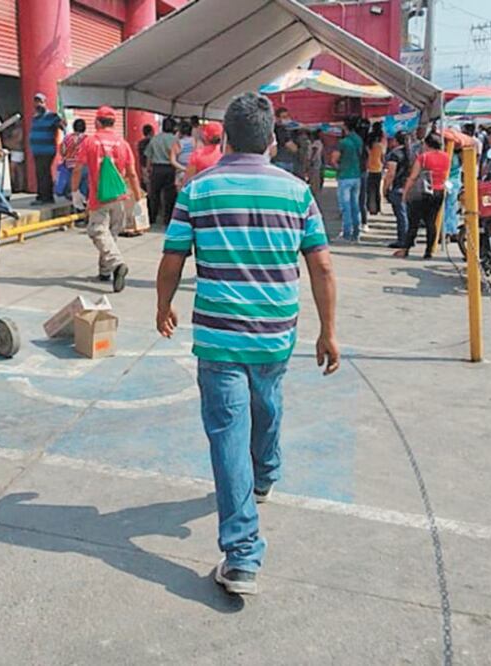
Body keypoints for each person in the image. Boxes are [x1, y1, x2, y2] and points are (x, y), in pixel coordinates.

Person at [155, 92, 339, 596]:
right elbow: (320, 264)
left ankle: (242, 556)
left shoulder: (198, 189)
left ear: (227, 139)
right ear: (273, 142)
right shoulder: (298, 192)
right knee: (267, 401)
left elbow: (172, 259)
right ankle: (266, 474)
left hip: (218, 337)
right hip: (275, 333)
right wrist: (328, 330)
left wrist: (162, 305)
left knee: (228, 434)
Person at [71, 105, 143, 293]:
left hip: (99, 196)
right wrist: (137, 198)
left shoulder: (91, 142)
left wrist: (75, 191)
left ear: (96, 122)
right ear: (113, 122)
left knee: (97, 231)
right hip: (119, 196)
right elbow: (132, 174)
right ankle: (105, 272)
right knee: (111, 234)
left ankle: (117, 263)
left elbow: (78, 168)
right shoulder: (123, 143)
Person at [395, 133, 450, 259]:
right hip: (439, 191)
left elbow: (413, 177)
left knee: (414, 222)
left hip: (422, 193)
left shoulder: (423, 157)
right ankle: (429, 251)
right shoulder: (446, 157)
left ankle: (406, 249)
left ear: (427, 144)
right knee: (431, 222)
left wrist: (405, 192)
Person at [331, 117, 364, 241]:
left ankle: (346, 233)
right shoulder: (358, 140)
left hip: (345, 176)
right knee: (355, 205)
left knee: (346, 207)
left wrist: (338, 167)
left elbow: (334, 159)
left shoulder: (343, 142)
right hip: (356, 175)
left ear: (345, 127)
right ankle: (356, 233)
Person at [29, 92, 64, 205]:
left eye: (41, 101)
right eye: (36, 101)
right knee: (40, 173)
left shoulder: (52, 116)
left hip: (47, 150)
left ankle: (45, 197)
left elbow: (61, 126)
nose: (38, 104)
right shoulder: (35, 117)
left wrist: (61, 121)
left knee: (43, 173)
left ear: (45, 103)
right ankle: (43, 196)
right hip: (37, 150)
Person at [145, 116, 179, 225]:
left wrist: (148, 169)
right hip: (170, 169)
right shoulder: (175, 140)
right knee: (169, 196)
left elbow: (149, 156)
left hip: (157, 169)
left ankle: (152, 217)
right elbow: (178, 154)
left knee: (154, 195)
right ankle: (167, 219)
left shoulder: (154, 139)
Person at [382, 131, 411, 249]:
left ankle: (403, 239)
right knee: (407, 214)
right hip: (409, 186)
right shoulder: (411, 153)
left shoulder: (395, 154)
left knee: (401, 214)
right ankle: (408, 238)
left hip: (398, 187)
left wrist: (385, 188)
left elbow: (391, 174)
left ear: (396, 140)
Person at [58, 118, 88, 200]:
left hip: (70, 165)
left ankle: (72, 195)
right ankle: (82, 199)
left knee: (72, 181)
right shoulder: (87, 139)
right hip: (83, 165)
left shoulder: (67, 138)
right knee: (83, 183)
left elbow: (62, 151)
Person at [366, 122, 385, 215]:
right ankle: (378, 208)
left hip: (369, 169)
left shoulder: (368, 146)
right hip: (378, 168)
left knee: (370, 190)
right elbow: (382, 158)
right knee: (377, 190)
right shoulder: (380, 146)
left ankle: (369, 208)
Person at [443, 146, 462, 241]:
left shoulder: (449, 156)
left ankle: (447, 231)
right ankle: (452, 230)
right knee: (452, 207)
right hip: (455, 183)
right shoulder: (458, 157)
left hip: (448, 182)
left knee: (446, 207)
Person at [170, 120, 195, 188]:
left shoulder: (177, 144)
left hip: (181, 173)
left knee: (180, 196)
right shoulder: (195, 141)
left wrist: (184, 169)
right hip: (194, 172)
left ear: (180, 132)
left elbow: (173, 161)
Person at [272, 107, 298, 174]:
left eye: (287, 116)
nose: (286, 118)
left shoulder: (288, 129)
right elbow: (290, 145)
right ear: (277, 118)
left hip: (287, 161)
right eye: (283, 117)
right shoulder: (280, 129)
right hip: (281, 162)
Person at [3, 122, 25, 193]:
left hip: (17, 151)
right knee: (18, 169)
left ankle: (16, 185)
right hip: (14, 151)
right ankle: (18, 185)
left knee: (13, 168)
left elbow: (17, 140)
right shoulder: (17, 130)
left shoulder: (19, 130)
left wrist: (8, 142)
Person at [137, 124, 154, 191]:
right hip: (153, 164)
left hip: (143, 165)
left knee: (147, 182)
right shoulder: (153, 141)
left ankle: (149, 195)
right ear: (151, 132)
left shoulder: (140, 143)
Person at [308, 130, 325, 198]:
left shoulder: (316, 143)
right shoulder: (320, 142)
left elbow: (314, 151)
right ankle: (315, 190)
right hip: (318, 162)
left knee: (314, 177)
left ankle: (313, 191)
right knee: (316, 177)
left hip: (315, 162)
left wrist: (311, 160)